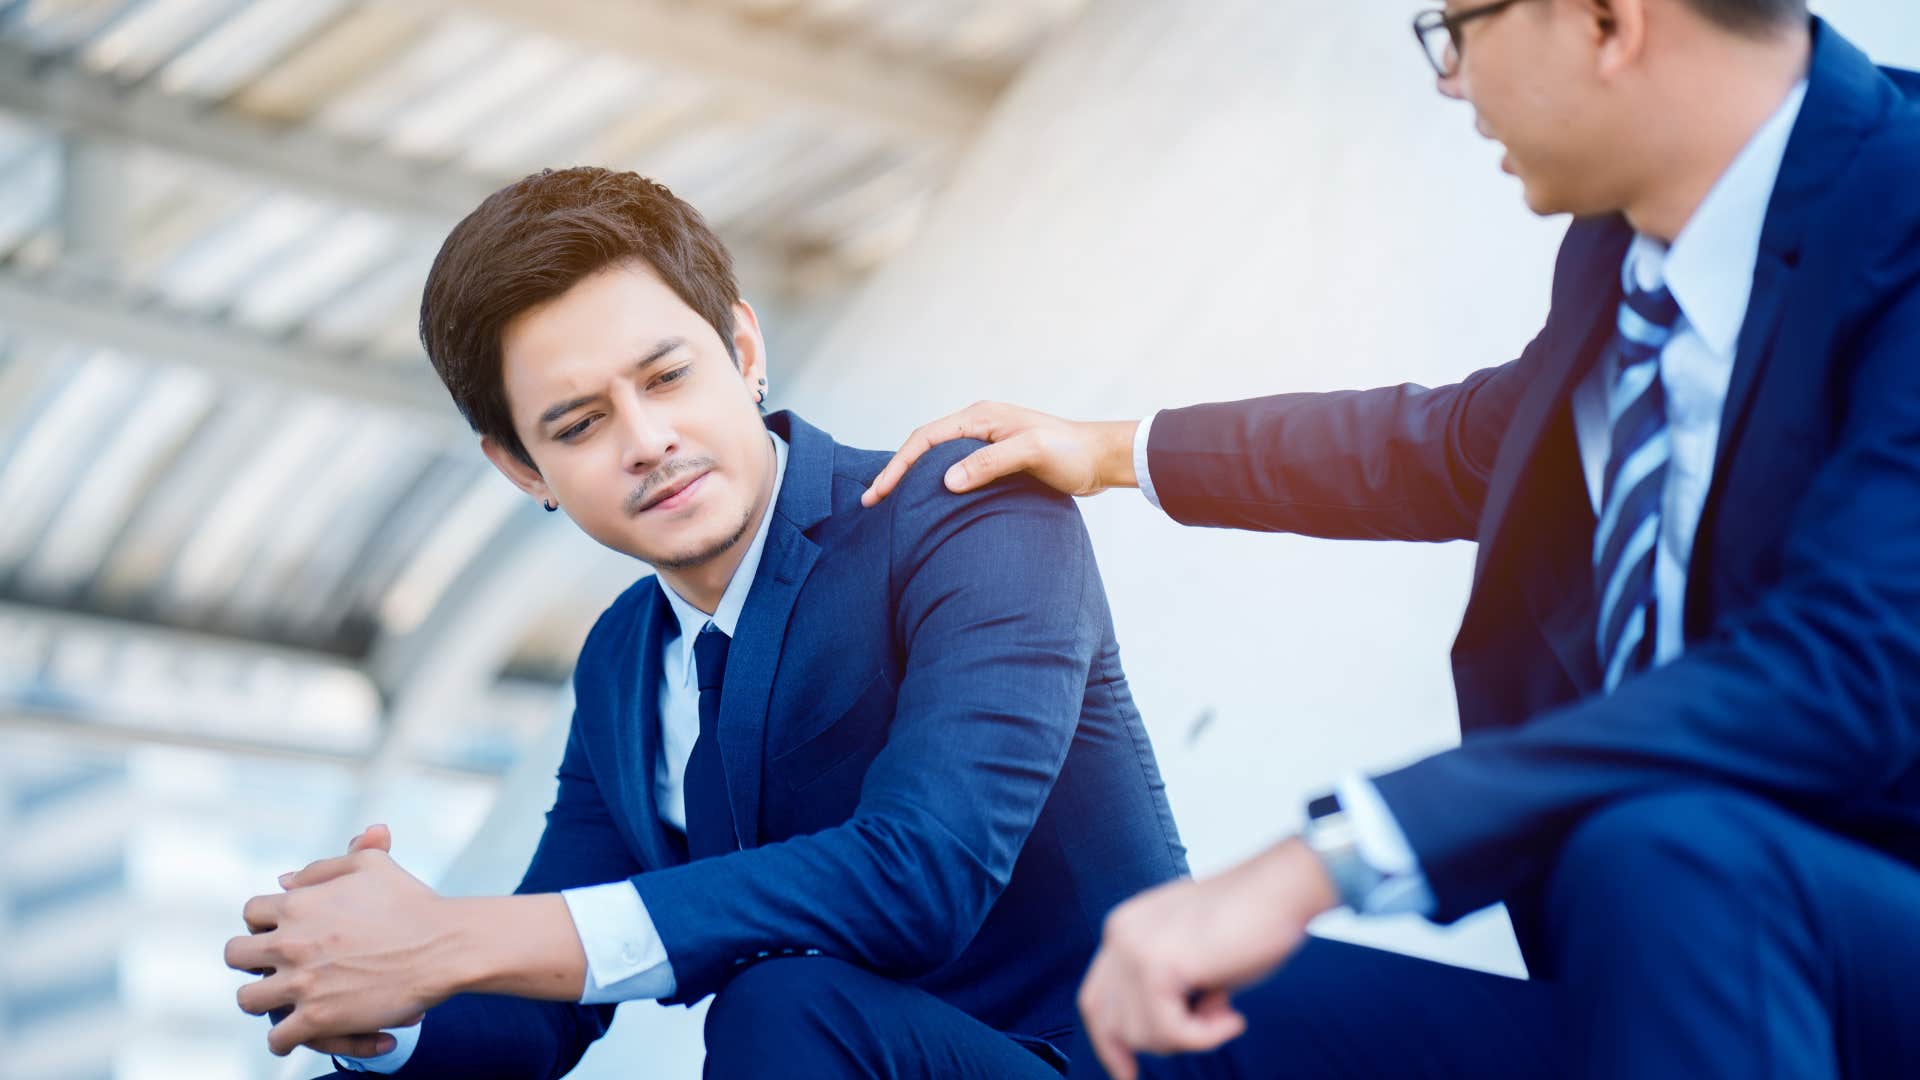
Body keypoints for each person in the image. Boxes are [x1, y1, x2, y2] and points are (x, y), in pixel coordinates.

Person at [862, 1, 1920, 1076]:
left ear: (1607, 22)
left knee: (1671, 848)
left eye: (1459, 26)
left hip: (1830, 958)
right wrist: (1111, 451)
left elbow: (1846, 669)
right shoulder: (1627, 250)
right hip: (1657, 970)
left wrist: (1336, 853)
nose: (1449, 78)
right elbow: (1462, 447)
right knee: (1184, 1019)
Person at [223, 166, 1188, 1078]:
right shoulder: (623, 660)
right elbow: (540, 1012)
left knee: (783, 1005)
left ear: (744, 352)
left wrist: (454, 938)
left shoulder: (970, 511)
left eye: (667, 377)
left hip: (1124, 1058)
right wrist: (377, 1010)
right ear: (521, 468)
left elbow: (923, 875)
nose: (648, 442)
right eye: (579, 425)